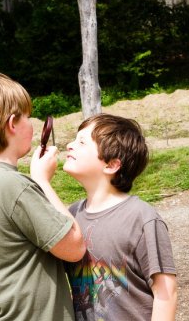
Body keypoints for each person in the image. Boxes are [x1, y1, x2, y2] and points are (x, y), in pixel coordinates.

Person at [0, 72, 86, 321]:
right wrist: (42, 180)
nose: (32, 124)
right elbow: (74, 247)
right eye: (27, 116)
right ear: (13, 123)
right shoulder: (13, 186)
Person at [62, 113, 177, 321]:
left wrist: (41, 181)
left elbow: (166, 293)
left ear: (111, 165)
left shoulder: (142, 218)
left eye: (81, 142)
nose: (70, 145)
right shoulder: (73, 214)